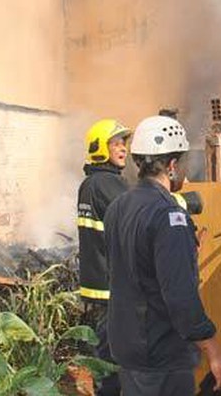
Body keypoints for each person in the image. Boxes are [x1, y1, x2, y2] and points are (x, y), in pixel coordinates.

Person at [104, 115, 221, 395]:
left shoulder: (117, 207)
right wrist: (214, 351)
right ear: (173, 166)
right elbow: (180, 295)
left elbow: (130, 271)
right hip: (159, 351)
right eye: (183, 163)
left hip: (126, 346)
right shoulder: (169, 214)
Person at [77, 118, 131, 396]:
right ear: (100, 148)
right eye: (116, 144)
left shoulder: (90, 183)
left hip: (98, 286)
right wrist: (188, 202)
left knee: (104, 356)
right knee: (110, 363)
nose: (123, 149)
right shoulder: (107, 183)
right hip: (110, 287)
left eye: (124, 143)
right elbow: (143, 208)